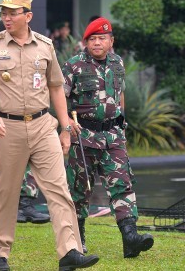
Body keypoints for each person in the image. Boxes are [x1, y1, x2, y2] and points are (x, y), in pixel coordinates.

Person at [0, 0, 100, 270]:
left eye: (12, 13)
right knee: (4, 194)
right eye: (4, 13)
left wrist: (65, 127)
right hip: (7, 127)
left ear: (27, 16)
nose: (6, 18)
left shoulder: (45, 45)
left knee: (59, 189)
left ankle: (70, 252)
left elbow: (56, 87)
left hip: (43, 125)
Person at [62, 17, 154, 258]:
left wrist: (121, 123)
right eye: (92, 39)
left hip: (113, 135)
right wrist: (66, 123)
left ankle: (130, 237)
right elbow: (59, 96)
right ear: (86, 42)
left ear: (111, 41)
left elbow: (119, 94)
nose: (97, 43)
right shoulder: (74, 65)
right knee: (79, 189)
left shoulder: (117, 63)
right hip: (84, 135)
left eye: (102, 38)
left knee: (122, 184)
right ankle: (77, 239)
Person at [0, 19, 50, 224]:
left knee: (29, 163)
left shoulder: (33, 52)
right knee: (6, 168)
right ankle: (12, 207)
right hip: (1, 118)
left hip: (29, 119)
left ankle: (26, 204)